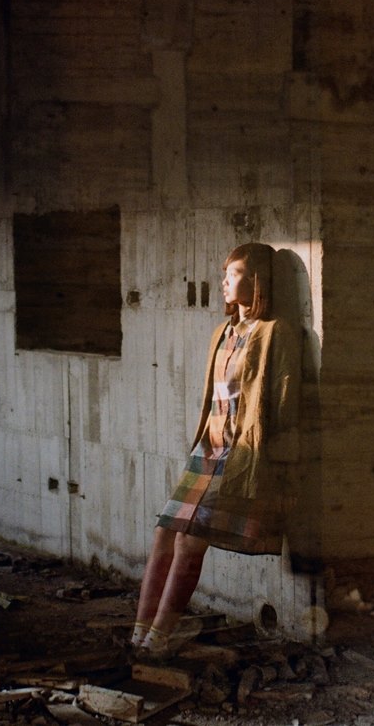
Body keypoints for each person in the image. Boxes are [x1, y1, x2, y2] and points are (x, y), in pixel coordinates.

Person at [131, 242, 301, 659]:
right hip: (208, 449)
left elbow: (283, 401)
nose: (224, 281)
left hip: (240, 453)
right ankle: (138, 633)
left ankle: (159, 638)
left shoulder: (274, 331)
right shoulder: (222, 332)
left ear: (257, 280)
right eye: (224, 273)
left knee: (190, 542)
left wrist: (274, 462)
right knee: (164, 532)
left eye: (234, 273)